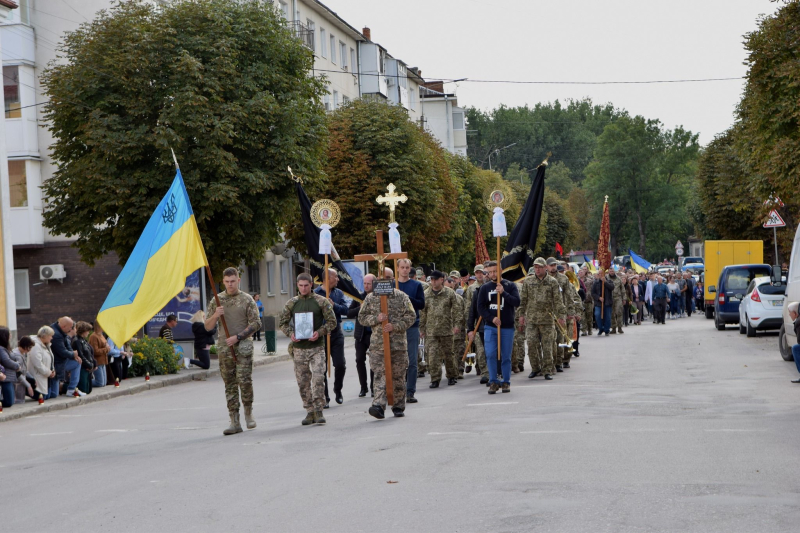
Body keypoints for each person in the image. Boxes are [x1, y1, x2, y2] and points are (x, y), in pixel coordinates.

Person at [205, 267, 262, 435]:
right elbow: (207, 326)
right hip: (224, 347)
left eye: (233, 281)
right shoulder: (217, 300)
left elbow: (256, 323)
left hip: (242, 345)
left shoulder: (247, 299)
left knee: (244, 380)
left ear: (238, 280)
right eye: (227, 282)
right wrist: (215, 315)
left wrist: (238, 336)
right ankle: (234, 420)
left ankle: (248, 413)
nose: (230, 285)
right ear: (223, 282)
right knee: (229, 384)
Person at [279, 272, 337, 426]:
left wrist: (320, 332)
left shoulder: (321, 301)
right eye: (301, 286)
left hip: (316, 347)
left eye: (306, 285)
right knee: (303, 381)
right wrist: (291, 334)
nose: (303, 288)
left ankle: (319, 409)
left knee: (318, 378)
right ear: (297, 286)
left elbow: (332, 322)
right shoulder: (291, 303)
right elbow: (282, 323)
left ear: (311, 285)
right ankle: (309, 410)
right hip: (299, 348)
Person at [358, 278, 416, 419]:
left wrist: (395, 326)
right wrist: (376, 319)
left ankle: (398, 406)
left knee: (398, 376)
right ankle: (378, 405)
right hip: (378, 345)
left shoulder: (401, 296)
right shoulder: (371, 297)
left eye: (388, 279)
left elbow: (411, 316)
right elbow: (362, 317)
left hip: (397, 345)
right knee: (379, 375)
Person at [477, 261, 520, 392]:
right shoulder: (485, 288)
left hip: (507, 326)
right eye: (489, 272)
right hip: (491, 326)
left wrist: (504, 293)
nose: (492, 274)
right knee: (490, 354)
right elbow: (480, 307)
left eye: (495, 271)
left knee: (506, 355)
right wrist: (492, 318)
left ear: (501, 270)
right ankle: (493, 381)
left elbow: (516, 302)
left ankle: (506, 381)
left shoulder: (510, 285)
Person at [519, 259, 565, 381]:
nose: (537, 269)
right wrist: (521, 315)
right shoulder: (528, 281)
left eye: (539, 267)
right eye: (535, 267)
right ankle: (535, 368)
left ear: (545, 267)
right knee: (531, 344)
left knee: (548, 346)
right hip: (532, 320)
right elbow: (523, 300)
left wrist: (561, 316)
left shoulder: (552, 282)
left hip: (547, 319)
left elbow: (558, 301)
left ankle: (547, 370)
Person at [419, 270, 461, 388]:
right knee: (432, 355)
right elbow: (423, 313)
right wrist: (421, 329)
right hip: (431, 330)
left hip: (446, 329)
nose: (433, 282)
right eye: (431, 279)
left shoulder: (449, 293)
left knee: (449, 354)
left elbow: (457, 310)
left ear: (442, 280)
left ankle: (452, 376)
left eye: (435, 279)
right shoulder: (426, 294)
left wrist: (457, 325)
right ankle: (435, 378)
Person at [314, 268, 349, 406]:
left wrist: (334, 305)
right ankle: (325, 397)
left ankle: (338, 389)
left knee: (340, 364)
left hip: (336, 333)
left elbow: (346, 310)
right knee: (321, 367)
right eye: (336, 277)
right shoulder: (316, 294)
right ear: (327, 278)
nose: (338, 279)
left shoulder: (338, 293)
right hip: (321, 335)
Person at [396, 259, 425, 403]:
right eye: (402, 267)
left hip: (412, 325)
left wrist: (407, 299)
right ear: (398, 269)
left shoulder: (416, 285)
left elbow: (421, 304)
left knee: (412, 360)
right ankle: (397, 390)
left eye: (407, 267)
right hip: (395, 327)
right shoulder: (393, 285)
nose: (405, 270)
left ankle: (410, 391)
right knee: (396, 360)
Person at [347, 274, 376, 397]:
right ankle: (363, 387)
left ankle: (374, 387)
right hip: (361, 335)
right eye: (364, 283)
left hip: (374, 334)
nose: (366, 286)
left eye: (369, 283)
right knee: (359, 360)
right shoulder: (359, 297)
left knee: (374, 361)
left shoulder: (377, 296)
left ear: (374, 284)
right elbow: (349, 313)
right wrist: (360, 308)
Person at [50, 317, 82, 397]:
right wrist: (73, 354)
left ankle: (71, 389)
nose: (71, 329)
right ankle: (70, 389)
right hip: (56, 363)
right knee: (54, 394)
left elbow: (67, 346)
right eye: (70, 327)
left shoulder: (60, 330)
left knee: (76, 362)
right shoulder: (56, 334)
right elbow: (62, 352)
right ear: (63, 326)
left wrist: (74, 355)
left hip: (58, 362)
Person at [445, 276, 468, 378]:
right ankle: (451, 371)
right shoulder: (442, 297)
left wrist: (461, 326)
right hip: (446, 328)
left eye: (451, 285)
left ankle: (460, 369)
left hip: (458, 328)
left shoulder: (458, 298)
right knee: (449, 351)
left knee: (459, 349)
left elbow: (463, 313)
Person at [29, 326, 57, 400]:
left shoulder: (47, 344)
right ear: (44, 336)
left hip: (46, 376)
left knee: (51, 395)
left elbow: (50, 358)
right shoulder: (35, 345)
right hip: (38, 376)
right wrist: (48, 372)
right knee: (43, 397)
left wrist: (52, 370)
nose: (52, 338)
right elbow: (37, 363)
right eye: (50, 336)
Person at [71, 321, 96, 397]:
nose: (88, 333)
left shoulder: (84, 340)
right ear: (83, 331)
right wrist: (89, 365)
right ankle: (66, 387)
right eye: (88, 331)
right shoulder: (77, 341)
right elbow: (81, 355)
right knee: (84, 389)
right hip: (82, 367)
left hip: (88, 367)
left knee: (88, 389)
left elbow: (90, 353)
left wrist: (93, 364)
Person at [12, 336, 36, 401]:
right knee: (17, 401)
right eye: (30, 347)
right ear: (26, 347)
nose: (30, 350)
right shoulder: (17, 356)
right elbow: (18, 373)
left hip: (21, 382)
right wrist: (28, 385)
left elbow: (25, 370)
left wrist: (33, 379)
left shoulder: (22, 354)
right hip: (17, 383)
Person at [0, 326, 19, 407]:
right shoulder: (1, 349)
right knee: (9, 401)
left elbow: (14, 358)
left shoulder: (6, 348)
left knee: (10, 400)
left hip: (10, 377)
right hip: (5, 377)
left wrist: (17, 364)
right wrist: (17, 365)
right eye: (9, 334)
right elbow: (6, 361)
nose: (11, 335)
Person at [592, 268, 614, 336]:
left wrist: (605, 282)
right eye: (599, 274)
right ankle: (601, 328)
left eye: (602, 274)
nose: (600, 275)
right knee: (597, 315)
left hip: (607, 302)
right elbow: (592, 293)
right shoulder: (595, 282)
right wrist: (598, 298)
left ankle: (607, 330)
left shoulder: (609, 281)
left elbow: (612, 287)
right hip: (598, 303)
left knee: (608, 317)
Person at [89, 322, 110, 387]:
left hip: (103, 361)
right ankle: (84, 382)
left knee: (104, 383)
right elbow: (95, 351)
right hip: (98, 361)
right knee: (100, 383)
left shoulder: (101, 335)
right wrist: (106, 349)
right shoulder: (94, 336)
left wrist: (107, 348)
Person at [608, 269, 625, 334]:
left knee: (619, 312)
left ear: (614, 272)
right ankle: (613, 328)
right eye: (610, 271)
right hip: (610, 298)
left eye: (612, 271)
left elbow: (622, 289)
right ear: (608, 272)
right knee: (612, 313)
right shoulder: (606, 278)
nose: (611, 272)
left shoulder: (618, 279)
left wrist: (624, 299)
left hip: (618, 297)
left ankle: (620, 327)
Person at [788, 302, 800, 383]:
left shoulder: (798, 322)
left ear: (795, 313)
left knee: (795, 348)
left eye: (790, 313)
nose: (789, 315)